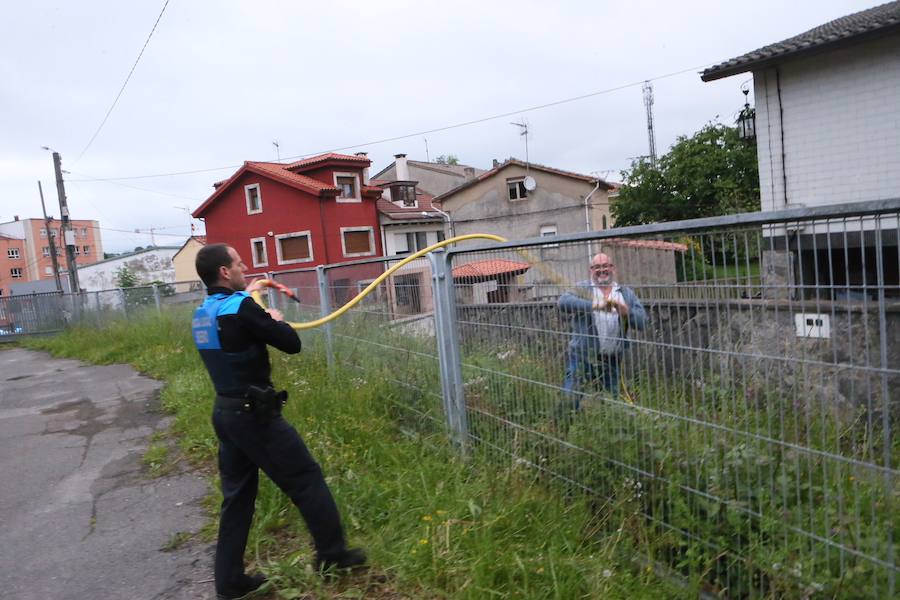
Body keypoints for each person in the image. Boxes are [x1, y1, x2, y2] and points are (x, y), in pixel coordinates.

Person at [192, 244, 365, 600]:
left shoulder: (202, 313)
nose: (244, 268)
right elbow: (291, 344)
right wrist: (274, 319)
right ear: (225, 272)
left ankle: (230, 583)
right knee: (306, 479)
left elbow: (235, 339)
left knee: (236, 499)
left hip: (224, 413)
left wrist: (258, 310)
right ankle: (333, 555)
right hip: (254, 415)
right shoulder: (241, 308)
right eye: (239, 263)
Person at [557, 252, 647, 408]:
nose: (601, 270)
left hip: (611, 360)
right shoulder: (582, 288)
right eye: (597, 267)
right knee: (570, 399)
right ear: (591, 270)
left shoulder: (625, 293)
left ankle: (608, 427)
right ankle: (564, 427)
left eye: (605, 266)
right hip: (582, 356)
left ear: (613, 268)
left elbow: (643, 322)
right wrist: (596, 304)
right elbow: (563, 302)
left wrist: (627, 312)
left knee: (610, 403)